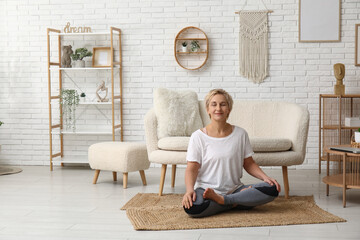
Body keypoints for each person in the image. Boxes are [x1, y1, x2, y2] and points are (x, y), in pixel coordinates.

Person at [182, 89, 281, 218]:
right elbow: (192, 168)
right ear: (208, 109)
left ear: (229, 109)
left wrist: (265, 178)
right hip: (206, 191)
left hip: (235, 189)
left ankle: (223, 201)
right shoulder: (198, 137)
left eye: (223, 104)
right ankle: (237, 201)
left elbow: (249, 163)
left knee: (272, 188)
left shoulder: (240, 134)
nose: (218, 108)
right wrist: (189, 190)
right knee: (192, 207)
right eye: (214, 104)